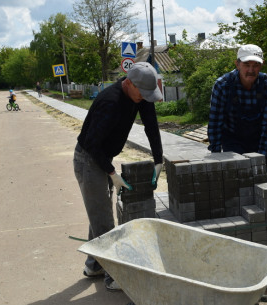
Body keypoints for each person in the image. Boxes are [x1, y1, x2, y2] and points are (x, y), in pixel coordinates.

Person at [73, 62, 164, 291]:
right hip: (89, 159)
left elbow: (151, 126)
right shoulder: (109, 102)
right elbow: (93, 145)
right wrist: (112, 173)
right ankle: (114, 277)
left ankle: (94, 265)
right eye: (142, 94)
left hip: (102, 156)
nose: (144, 98)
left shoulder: (139, 95)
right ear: (129, 83)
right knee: (104, 220)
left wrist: (159, 159)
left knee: (99, 212)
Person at [207, 44, 267, 183]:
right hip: (232, 138)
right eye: (247, 64)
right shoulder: (223, 85)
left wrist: (261, 159)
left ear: (262, 65)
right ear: (237, 64)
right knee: (235, 180)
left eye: (256, 65)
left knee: (266, 179)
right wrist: (216, 156)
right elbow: (215, 122)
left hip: (258, 139)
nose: (251, 70)